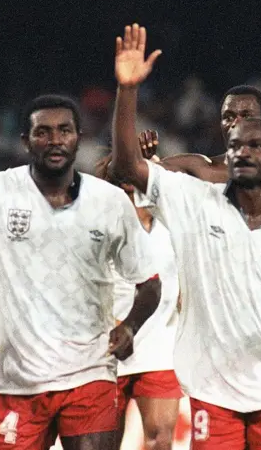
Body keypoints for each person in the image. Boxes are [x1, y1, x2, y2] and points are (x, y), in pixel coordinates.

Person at [0, 45, 161, 450]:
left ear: (78, 138)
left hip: (89, 377)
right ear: (25, 141)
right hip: (16, 384)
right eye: (42, 131)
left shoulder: (108, 203)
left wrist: (130, 327)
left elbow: (150, 284)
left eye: (64, 130)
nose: (54, 140)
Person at [110, 24, 261, 450]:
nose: (242, 151)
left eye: (256, 144)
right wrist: (127, 89)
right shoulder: (193, 198)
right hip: (212, 388)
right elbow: (126, 167)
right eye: (236, 143)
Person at [95, 148, 181, 450]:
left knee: (159, 439)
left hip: (161, 346)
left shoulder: (172, 225)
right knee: (103, 442)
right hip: (106, 348)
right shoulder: (99, 225)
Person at [149, 84, 261, 182]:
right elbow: (142, 171)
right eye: (228, 117)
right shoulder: (199, 169)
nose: (236, 123)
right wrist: (130, 88)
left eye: (246, 116)